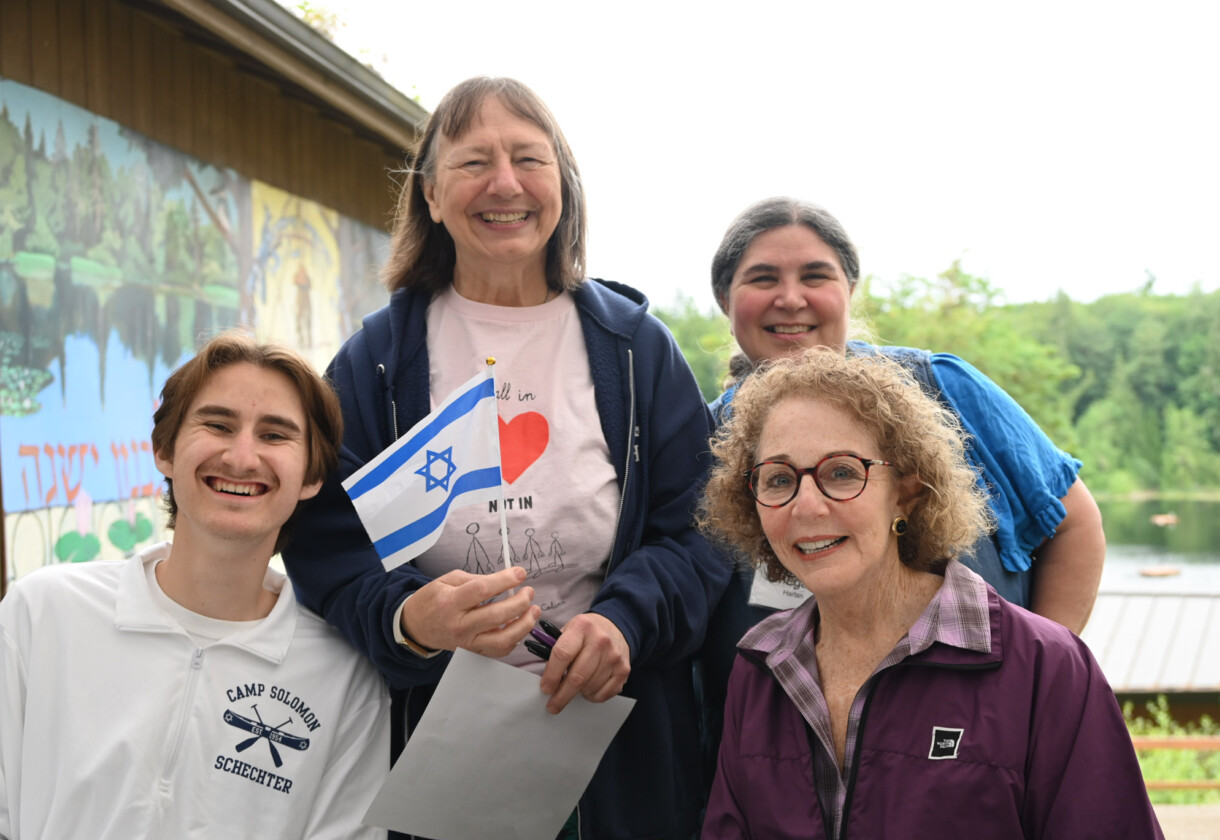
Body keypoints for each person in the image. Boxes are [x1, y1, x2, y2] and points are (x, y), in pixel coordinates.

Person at [281, 77, 727, 840]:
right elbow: (324, 541)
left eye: (529, 158)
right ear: (429, 194)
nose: (506, 184)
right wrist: (406, 619)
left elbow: (701, 528)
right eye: (473, 162)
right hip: (436, 748)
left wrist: (624, 622)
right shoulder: (376, 360)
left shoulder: (634, 351)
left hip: (614, 751)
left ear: (564, 187)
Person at [697, 348, 1162, 838]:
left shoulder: (1046, 667)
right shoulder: (759, 671)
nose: (806, 506)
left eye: (841, 472)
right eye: (778, 479)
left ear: (907, 493)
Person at [0, 330, 390, 840]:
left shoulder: (345, 674)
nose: (242, 457)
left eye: (275, 435)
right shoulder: (42, 612)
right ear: (164, 449)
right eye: (218, 424)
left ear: (313, 476)